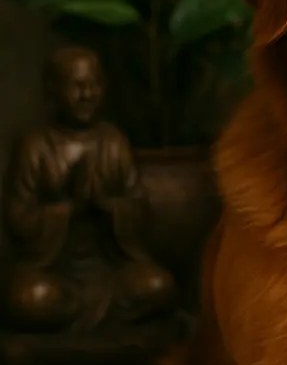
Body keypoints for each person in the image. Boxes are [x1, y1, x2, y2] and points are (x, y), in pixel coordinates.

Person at [1, 45, 174, 332]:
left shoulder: (114, 143)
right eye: (77, 86)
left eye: (94, 85)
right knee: (30, 297)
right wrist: (68, 209)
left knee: (158, 285)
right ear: (52, 90)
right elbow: (17, 219)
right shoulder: (35, 147)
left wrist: (107, 206)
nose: (88, 95)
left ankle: (78, 318)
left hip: (107, 269)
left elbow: (140, 209)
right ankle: (82, 317)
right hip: (54, 270)